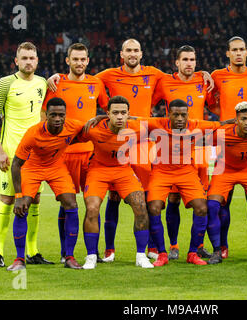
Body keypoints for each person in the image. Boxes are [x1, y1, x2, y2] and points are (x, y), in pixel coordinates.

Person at [47, 39, 214, 262]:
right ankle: (109, 248)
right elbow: (85, 80)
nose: (132, 54)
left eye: (136, 50)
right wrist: (56, 77)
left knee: (147, 198)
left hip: (143, 142)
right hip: (113, 141)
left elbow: (181, 74)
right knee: (109, 198)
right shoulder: (107, 76)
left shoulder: (155, 74)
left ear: (141, 54)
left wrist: (202, 72)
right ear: (121, 54)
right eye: (128, 50)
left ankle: (155, 248)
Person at [144, 99, 237, 267]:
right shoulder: (156, 124)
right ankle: (162, 254)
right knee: (153, 207)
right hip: (161, 172)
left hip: (187, 172)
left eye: (183, 115)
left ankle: (193, 253)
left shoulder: (196, 125)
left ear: (188, 114)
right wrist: (99, 118)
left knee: (202, 207)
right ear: (169, 114)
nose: (180, 118)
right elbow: (132, 119)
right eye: (176, 115)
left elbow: (221, 123)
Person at [0, 42, 52, 267]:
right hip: (11, 154)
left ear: (37, 60)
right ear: (16, 61)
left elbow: (42, 113)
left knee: (35, 200)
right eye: (24, 58)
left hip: (36, 155)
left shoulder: (42, 83)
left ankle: (33, 251)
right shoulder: (5, 83)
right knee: (6, 200)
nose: (28, 62)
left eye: (32, 58)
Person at [42, 43, 109, 263]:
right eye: (75, 59)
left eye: (83, 59)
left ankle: (94, 251)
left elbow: (108, 110)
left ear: (88, 61)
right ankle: (65, 252)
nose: (79, 63)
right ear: (67, 61)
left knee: (94, 203)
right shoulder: (56, 83)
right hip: (64, 155)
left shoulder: (96, 83)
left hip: (90, 154)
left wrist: (100, 121)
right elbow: (45, 114)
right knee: (67, 203)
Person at [7, 97, 85, 271]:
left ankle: (69, 257)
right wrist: (18, 196)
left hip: (56, 167)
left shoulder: (73, 126)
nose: (57, 118)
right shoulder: (33, 133)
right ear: (46, 116)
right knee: (22, 207)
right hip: (32, 168)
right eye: (53, 115)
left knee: (72, 204)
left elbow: (90, 127)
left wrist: (99, 118)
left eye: (61, 115)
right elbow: (16, 165)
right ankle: (19, 259)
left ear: (66, 115)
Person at [77, 95, 154, 269]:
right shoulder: (93, 129)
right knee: (92, 208)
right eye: (115, 113)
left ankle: (141, 256)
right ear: (107, 114)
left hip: (123, 171)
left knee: (141, 206)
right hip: (98, 171)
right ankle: (91, 257)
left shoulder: (136, 127)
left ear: (129, 114)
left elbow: (161, 122)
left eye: (123, 113)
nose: (119, 116)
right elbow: (72, 136)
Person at [206, 36, 247, 259]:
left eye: (242, 49)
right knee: (222, 201)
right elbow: (210, 101)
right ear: (227, 53)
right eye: (234, 50)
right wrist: (226, 120)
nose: (238, 53)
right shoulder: (217, 75)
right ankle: (222, 245)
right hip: (226, 143)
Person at [151, 45, 211, 260]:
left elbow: (213, 106)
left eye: (192, 59)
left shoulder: (204, 81)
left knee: (201, 199)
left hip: (199, 147)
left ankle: (199, 246)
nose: (189, 63)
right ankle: (173, 245)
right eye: (184, 59)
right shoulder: (165, 81)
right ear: (176, 62)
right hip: (173, 148)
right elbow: (150, 103)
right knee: (173, 198)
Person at [206, 102, 247, 264]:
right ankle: (217, 250)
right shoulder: (222, 133)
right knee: (212, 206)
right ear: (236, 120)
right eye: (244, 119)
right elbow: (199, 137)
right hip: (224, 170)